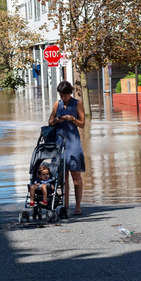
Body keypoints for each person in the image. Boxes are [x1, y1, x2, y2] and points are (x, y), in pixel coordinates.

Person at [48, 81, 86, 216]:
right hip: (59, 142)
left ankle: (78, 206)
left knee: (76, 175)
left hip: (73, 142)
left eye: (65, 95)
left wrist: (72, 119)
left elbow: (82, 124)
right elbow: (50, 122)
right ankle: (65, 205)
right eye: (61, 95)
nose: (63, 97)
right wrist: (57, 120)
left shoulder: (77, 104)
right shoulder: (57, 104)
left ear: (70, 93)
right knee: (62, 177)